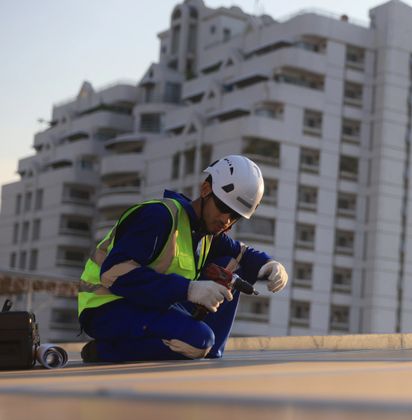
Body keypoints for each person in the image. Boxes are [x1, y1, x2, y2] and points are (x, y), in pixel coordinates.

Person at [78, 155, 289, 362]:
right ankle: (105, 351)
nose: (226, 220)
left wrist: (269, 265)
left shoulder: (207, 234)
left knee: (231, 269)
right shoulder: (159, 217)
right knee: (198, 340)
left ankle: (211, 350)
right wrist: (188, 289)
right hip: (106, 308)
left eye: (235, 216)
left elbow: (242, 254)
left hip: (144, 304)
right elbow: (112, 274)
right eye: (224, 208)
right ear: (206, 190)